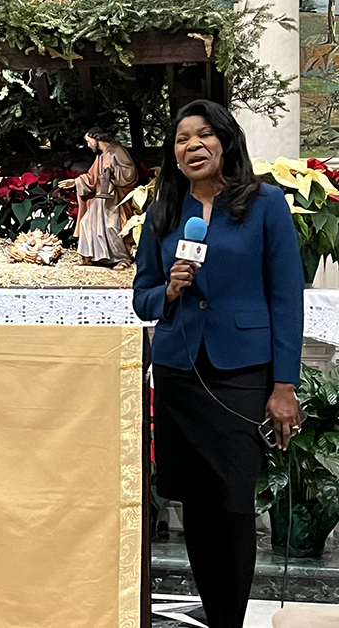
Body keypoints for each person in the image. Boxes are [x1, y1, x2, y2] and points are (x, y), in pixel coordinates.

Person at [132, 100, 304, 628]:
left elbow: (285, 297)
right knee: (197, 505)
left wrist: (283, 385)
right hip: (181, 371)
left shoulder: (265, 203)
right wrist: (170, 291)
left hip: (242, 375)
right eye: (182, 139)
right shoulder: (164, 209)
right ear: (175, 153)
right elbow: (142, 297)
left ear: (225, 141)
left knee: (232, 503)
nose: (193, 146)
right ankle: (214, 614)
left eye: (204, 135)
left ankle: (229, 618)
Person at [59, 128, 137, 269]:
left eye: (89, 141)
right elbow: (91, 178)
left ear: (97, 138)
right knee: (86, 223)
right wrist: (75, 182)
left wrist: (115, 170)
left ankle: (123, 258)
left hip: (114, 199)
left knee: (112, 227)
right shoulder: (101, 157)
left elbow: (130, 172)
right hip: (101, 197)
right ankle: (91, 257)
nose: (88, 145)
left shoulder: (117, 151)